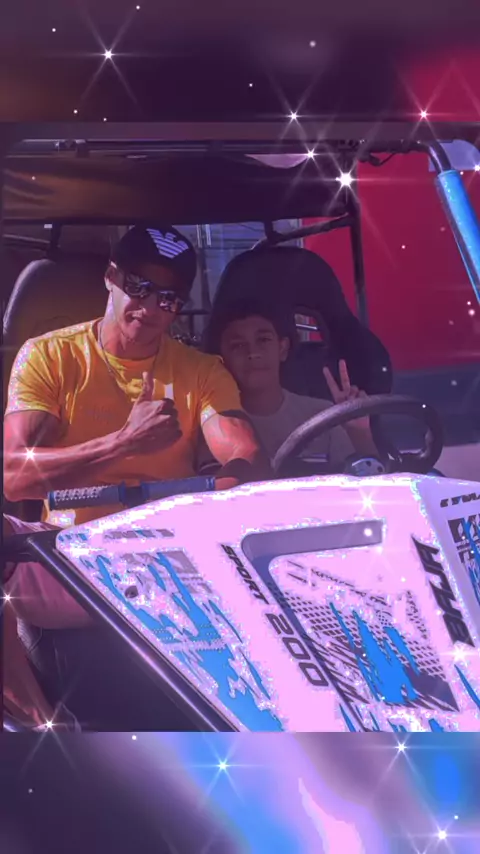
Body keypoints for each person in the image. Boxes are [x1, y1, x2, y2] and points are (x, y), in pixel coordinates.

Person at [3, 226, 271, 730]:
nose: (148, 308)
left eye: (167, 298)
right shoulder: (48, 356)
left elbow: (247, 459)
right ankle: (39, 722)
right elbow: (13, 475)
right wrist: (123, 443)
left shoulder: (202, 371)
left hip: (166, 561)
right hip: (66, 560)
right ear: (111, 277)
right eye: (139, 287)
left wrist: (218, 491)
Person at [204, 298, 378, 469]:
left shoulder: (324, 415)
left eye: (263, 340)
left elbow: (366, 479)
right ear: (221, 357)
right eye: (238, 346)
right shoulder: (212, 427)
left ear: (282, 348)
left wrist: (360, 433)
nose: (253, 353)